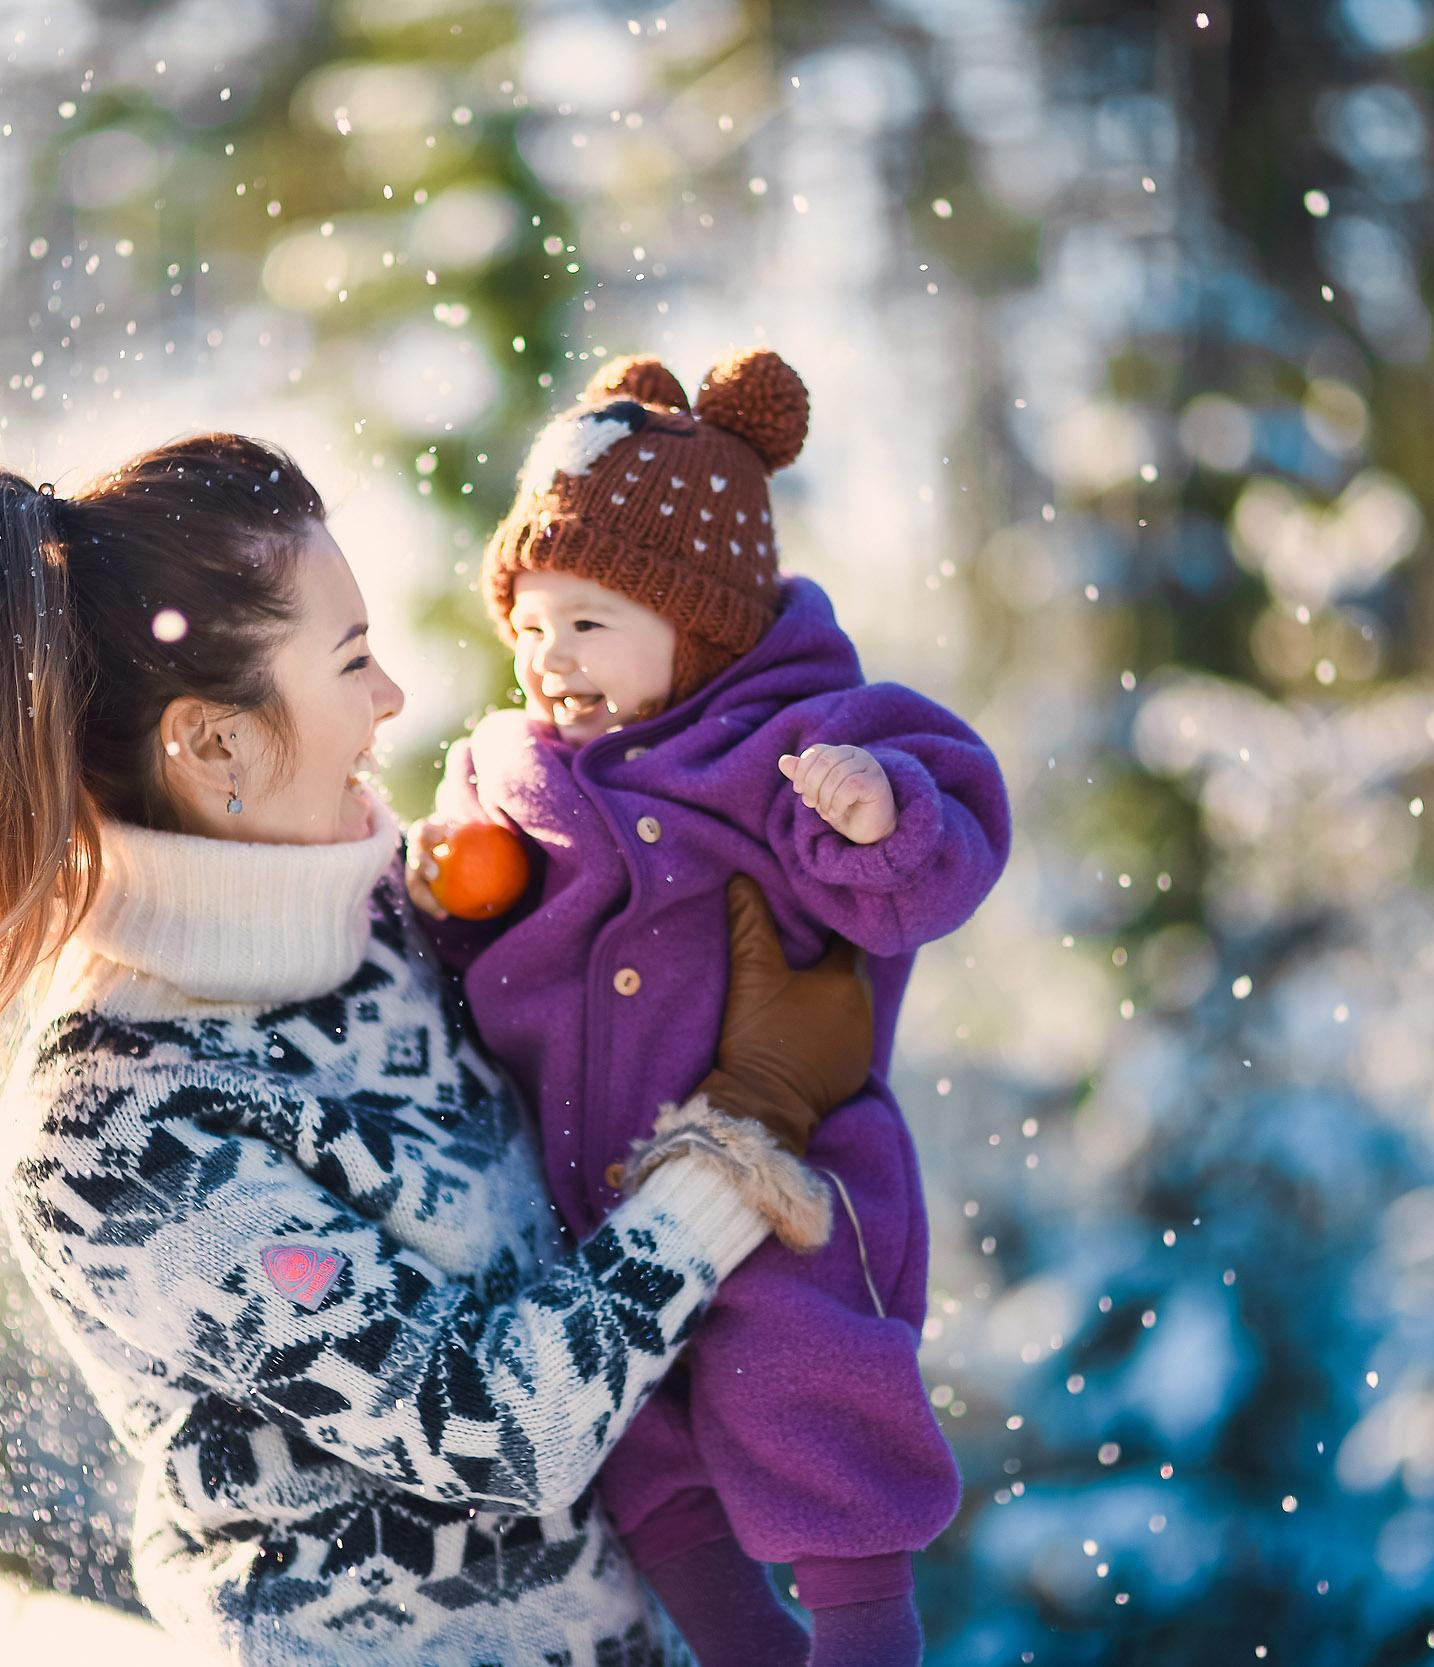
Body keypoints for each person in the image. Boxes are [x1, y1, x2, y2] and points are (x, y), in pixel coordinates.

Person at [0, 433, 877, 1664]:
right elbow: (499, 1432)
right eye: (351, 659)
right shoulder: (116, 1124)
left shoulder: (398, 924)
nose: (391, 699)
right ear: (215, 745)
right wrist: (744, 1125)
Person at [406, 351, 1013, 1666]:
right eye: (530, 622)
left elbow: (944, 841)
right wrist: (436, 880)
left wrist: (877, 814)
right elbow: (449, 918)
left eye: (589, 622)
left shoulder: (790, 737)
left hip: (781, 1169)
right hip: (586, 1194)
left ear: (702, 623)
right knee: (634, 1442)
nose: (548, 659)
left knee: (805, 1386)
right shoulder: (506, 768)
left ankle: (860, 1635)